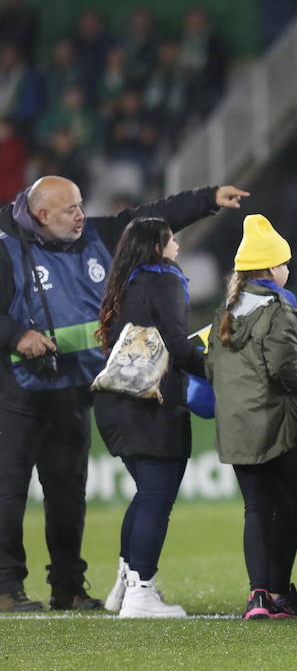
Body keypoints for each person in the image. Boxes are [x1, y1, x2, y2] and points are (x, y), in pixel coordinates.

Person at [0, 176, 245, 614]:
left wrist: (207, 199)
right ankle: (5, 586)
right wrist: (16, 334)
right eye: (70, 210)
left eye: (80, 204)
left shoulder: (94, 234)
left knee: (67, 494)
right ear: (41, 216)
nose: (81, 214)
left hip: (77, 388)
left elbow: (150, 219)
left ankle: (68, 587)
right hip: (20, 391)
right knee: (9, 492)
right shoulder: (5, 248)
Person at [206, 214, 297, 621]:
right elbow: (287, 369)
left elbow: (210, 369)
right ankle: (279, 592)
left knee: (256, 507)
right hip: (277, 424)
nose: (288, 269)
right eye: (285, 263)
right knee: (290, 504)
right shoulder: (278, 310)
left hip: (237, 425)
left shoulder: (224, 312)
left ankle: (258, 596)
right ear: (273, 268)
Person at [93, 219, 208, 618]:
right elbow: (176, 344)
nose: (176, 244)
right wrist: (216, 365)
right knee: (156, 497)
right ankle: (141, 589)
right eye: (170, 239)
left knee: (146, 495)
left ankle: (126, 585)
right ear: (158, 247)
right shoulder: (166, 279)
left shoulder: (124, 283)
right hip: (151, 405)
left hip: (116, 404)